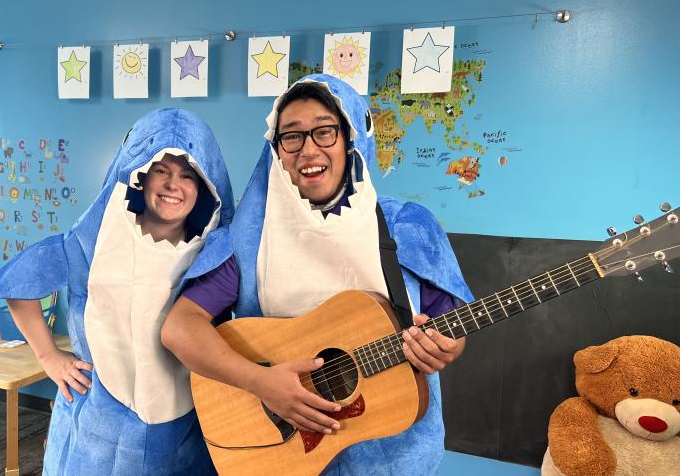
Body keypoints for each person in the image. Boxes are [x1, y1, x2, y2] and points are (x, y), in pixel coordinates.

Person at [161, 75, 473, 474]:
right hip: (283, 451)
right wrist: (262, 383)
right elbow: (179, 328)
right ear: (276, 149)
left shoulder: (407, 227)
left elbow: (451, 326)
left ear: (350, 138)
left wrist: (446, 347)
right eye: (291, 136)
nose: (308, 148)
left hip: (392, 455)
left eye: (325, 131)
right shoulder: (249, 239)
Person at [0, 108, 234, 475]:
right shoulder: (94, 239)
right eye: (161, 170)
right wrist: (48, 356)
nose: (174, 185)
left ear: (205, 185)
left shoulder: (213, 253)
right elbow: (20, 282)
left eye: (188, 175)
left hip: (184, 427)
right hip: (96, 426)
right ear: (140, 173)